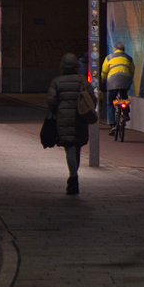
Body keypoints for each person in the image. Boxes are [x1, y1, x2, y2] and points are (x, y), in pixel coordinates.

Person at [45, 52, 95, 194]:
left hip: (63, 118)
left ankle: (73, 178)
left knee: (70, 147)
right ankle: (74, 175)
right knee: (76, 146)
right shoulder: (82, 80)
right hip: (80, 117)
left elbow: (51, 101)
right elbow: (92, 98)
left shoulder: (57, 81)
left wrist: (56, 109)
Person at [100, 42, 135, 123]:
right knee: (124, 97)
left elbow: (104, 71)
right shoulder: (129, 58)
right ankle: (126, 114)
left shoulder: (109, 58)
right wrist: (129, 80)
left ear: (115, 49)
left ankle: (112, 124)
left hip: (112, 82)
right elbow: (132, 70)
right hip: (125, 81)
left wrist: (103, 80)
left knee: (110, 102)